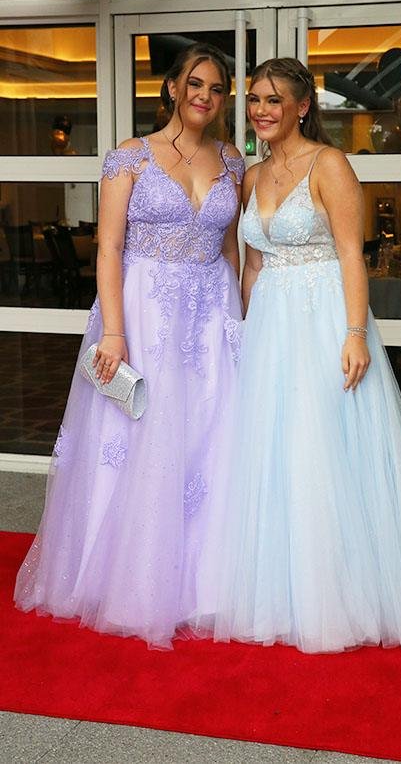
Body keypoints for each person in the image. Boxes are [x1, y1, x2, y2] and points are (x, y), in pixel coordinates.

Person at [201, 58, 401, 654]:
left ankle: (344, 592)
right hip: (271, 325)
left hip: (324, 317)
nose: (261, 110)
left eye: (274, 100)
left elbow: (351, 255)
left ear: (302, 106)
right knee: (274, 450)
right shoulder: (251, 177)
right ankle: (282, 590)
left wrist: (355, 333)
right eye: (254, 99)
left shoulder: (329, 164)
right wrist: (246, 331)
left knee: (325, 445)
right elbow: (253, 265)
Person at [14, 43, 245, 649]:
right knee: (138, 435)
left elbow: (229, 247)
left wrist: (241, 317)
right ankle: (128, 580)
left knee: (208, 437)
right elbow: (109, 248)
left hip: (211, 311)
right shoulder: (129, 157)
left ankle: (206, 586)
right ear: (172, 88)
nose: (204, 96)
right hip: (143, 311)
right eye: (195, 84)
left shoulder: (232, 160)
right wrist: (114, 332)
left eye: (216, 88)